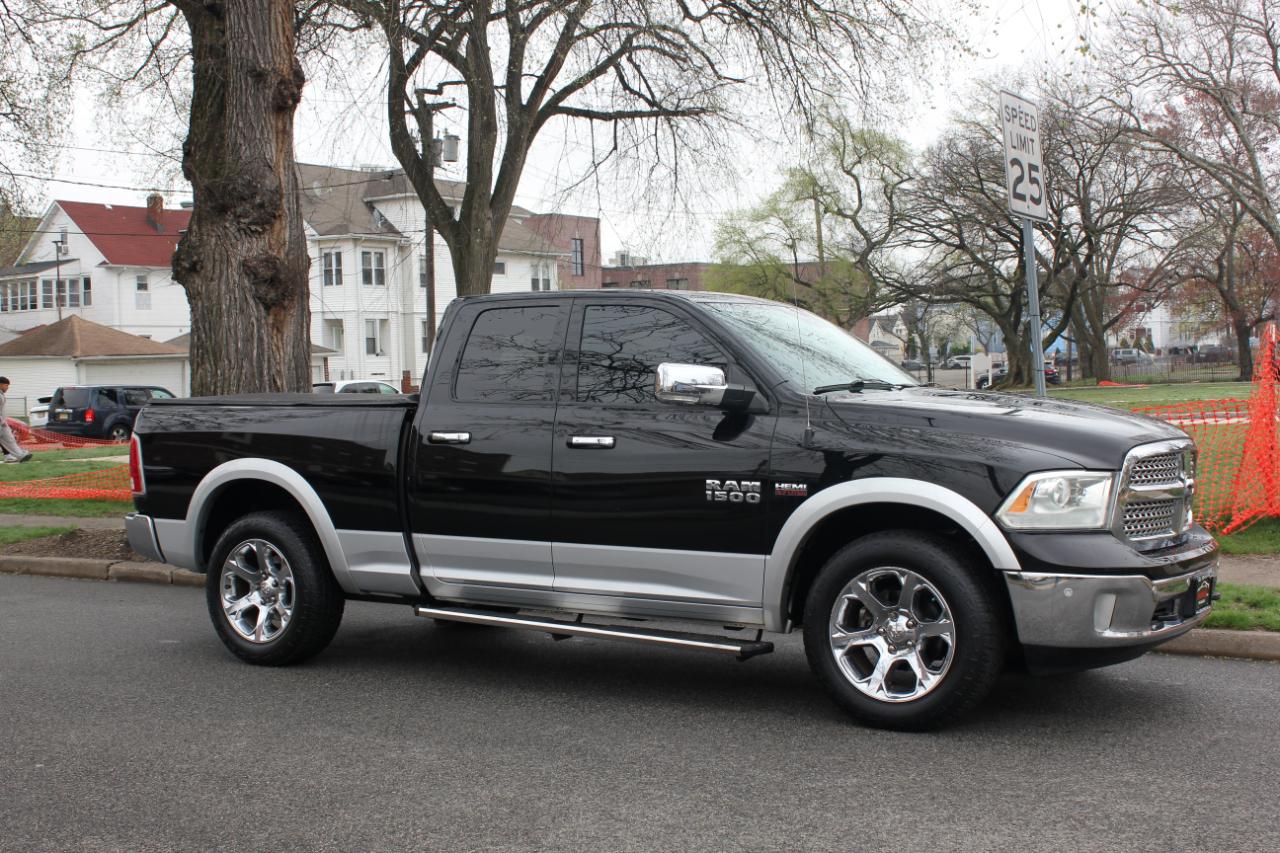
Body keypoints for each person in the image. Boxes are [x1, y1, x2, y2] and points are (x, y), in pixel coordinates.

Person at [0, 376, 33, 463]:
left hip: (2, 423)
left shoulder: (1, 394)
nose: (7, 388)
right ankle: (13, 455)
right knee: (8, 439)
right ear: (1, 384)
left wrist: (3, 421)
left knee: (10, 439)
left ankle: (20, 456)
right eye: (6, 385)